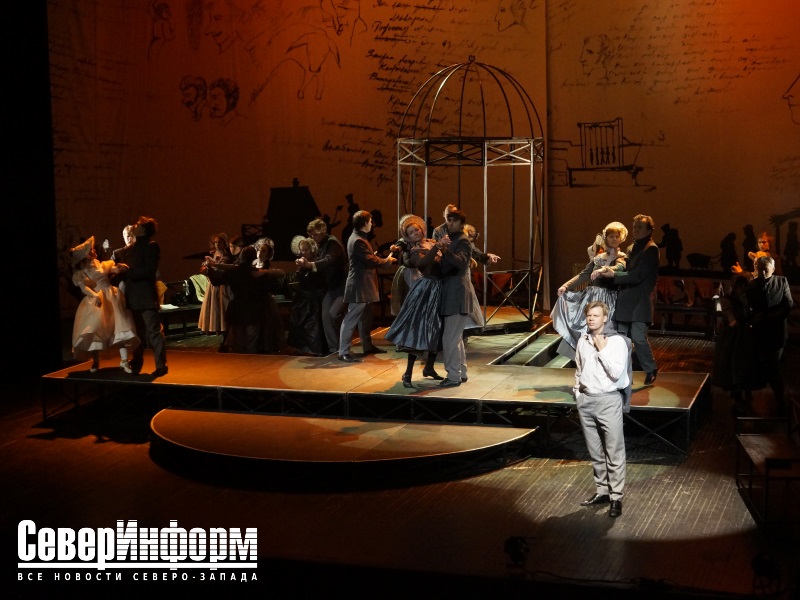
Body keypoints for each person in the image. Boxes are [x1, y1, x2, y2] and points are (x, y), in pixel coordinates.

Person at [574, 300, 632, 519]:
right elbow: (579, 369)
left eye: (595, 315)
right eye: (589, 315)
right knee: (595, 451)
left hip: (608, 400)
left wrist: (602, 350)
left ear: (605, 318)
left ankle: (616, 497)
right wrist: (578, 392)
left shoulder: (617, 342)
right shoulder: (582, 341)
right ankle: (602, 491)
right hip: (586, 400)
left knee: (614, 451)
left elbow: (617, 374)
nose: (591, 319)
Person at [596, 214, 659, 385]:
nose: (636, 230)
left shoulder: (651, 249)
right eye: (634, 227)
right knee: (621, 340)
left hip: (639, 301)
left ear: (649, 230)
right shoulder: (632, 247)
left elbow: (638, 275)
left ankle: (650, 368)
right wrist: (611, 270)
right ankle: (623, 374)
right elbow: (625, 266)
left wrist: (614, 275)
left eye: (640, 227)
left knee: (638, 337)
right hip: (625, 299)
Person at [550, 221, 628, 359]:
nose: (614, 239)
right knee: (585, 325)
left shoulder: (621, 257)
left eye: (617, 236)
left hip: (608, 299)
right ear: (606, 238)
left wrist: (605, 269)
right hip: (592, 297)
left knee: (604, 329)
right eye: (611, 236)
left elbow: (620, 268)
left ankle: (603, 358)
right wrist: (566, 286)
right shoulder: (598, 258)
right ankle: (585, 357)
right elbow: (584, 275)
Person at [385, 215, 445, 386]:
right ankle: (408, 374)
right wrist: (438, 247)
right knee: (418, 329)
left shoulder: (432, 242)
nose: (415, 233)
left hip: (440, 288)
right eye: (411, 232)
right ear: (408, 237)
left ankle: (429, 367)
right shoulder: (413, 250)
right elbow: (423, 263)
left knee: (437, 328)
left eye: (416, 229)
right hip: (426, 289)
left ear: (422, 229)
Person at [70, 236, 139, 373]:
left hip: (111, 298)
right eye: (91, 250)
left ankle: (124, 361)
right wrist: (95, 295)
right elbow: (84, 288)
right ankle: (95, 361)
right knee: (95, 330)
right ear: (86, 256)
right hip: (96, 300)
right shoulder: (82, 273)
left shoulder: (102, 265)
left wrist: (119, 268)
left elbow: (112, 269)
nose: (94, 250)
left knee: (119, 327)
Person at [338, 210, 396, 362]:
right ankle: (343, 351)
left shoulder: (359, 238)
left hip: (364, 285)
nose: (372, 224)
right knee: (352, 318)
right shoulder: (358, 240)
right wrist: (387, 261)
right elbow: (370, 260)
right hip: (359, 285)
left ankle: (367, 345)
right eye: (370, 221)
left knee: (365, 318)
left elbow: (366, 258)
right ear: (364, 224)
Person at [117, 216, 168, 376]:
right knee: (136, 332)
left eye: (138, 224)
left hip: (145, 296)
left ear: (144, 230)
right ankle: (137, 359)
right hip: (132, 295)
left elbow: (149, 271)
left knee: (153, 331)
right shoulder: (129, 249)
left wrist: (128, 271)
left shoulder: (151, 246)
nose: (134, 225)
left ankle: (161, 365)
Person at [745, 255, 793, 413]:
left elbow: (788, 303)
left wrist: (772, 316)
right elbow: (746, 306)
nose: (763, 272)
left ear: (773, 269)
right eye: (760, 269)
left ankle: (780, 401)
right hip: (758, 332)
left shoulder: (781, 281)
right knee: (752, 365)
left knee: (773, 368)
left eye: (765, 269)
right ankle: (747, 398)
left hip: (776, 332)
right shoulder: (752, 285)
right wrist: (753, 317)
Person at [438, 208, 479, 387]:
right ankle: (460, 372)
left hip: (457, 292)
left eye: (454, 220)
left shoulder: (462, 240)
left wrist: (444, 250)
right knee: (455, 337)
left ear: (462, 224)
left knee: (449, 339)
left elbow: (461, 263)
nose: (450, 223)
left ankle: (453, 375)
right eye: (449, 220)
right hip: (452, 291)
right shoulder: (452, 238)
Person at [296, 218, 348, 354]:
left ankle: (342, 345)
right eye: (311, 234)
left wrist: (310, 264)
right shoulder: (321, 244)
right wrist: (307, 263)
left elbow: (329, 260)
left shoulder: (332, 243)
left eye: (315, 234)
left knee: (333, 314)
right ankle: (334, 348)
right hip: (331, 287)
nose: (313, 237)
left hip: (341, 286)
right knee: (326, 316)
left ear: (323, 231)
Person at [287, 236, 326, 355]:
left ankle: (315, 349)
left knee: (312, 324)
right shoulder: (302, 263)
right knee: (298, 323)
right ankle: (301, 348)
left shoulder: (318, 262)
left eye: (306, 250)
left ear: (312, 249)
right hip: (301, 298)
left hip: (314, 299)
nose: (303, 252)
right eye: (301, 250)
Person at [198, 233, 232, 338]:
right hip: (213, 283)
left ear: (225, 244)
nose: (217, 244)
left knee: (221, 305)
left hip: (221, 284)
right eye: (216, 242)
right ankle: (214, 327)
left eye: (219, 242)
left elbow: (221, 267)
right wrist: (207, 265)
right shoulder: (214, 253)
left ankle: (222, 327)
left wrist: (211, 265)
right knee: (213, 304)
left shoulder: (226, 255)